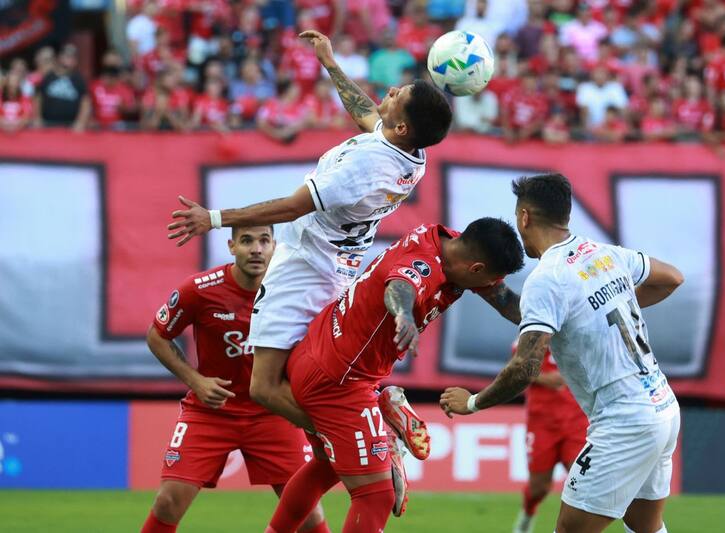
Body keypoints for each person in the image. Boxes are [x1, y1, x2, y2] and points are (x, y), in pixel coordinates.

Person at [166, 29, 452, 460]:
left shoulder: (365, 167)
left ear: (402, 125)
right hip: (339, 266)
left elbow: (290, 207)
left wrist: (214, 218)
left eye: (398, 94)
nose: (389, 91)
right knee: (310, 376)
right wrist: (331, 64)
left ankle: (369, 431)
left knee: (263, 386)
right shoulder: (410, 151)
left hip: (305, 266)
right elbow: (368, 115)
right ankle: (370, 419)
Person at [440, 173, 684, 533]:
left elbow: (524, 368)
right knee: (643, 526)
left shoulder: (547, 277)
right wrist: (603, 311)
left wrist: (472, 403)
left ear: (524, 217)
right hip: (663, 407)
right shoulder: (606, 254)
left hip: (625, 421)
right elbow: (672, 277)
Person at [266, 219, 526, 533]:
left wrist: (550, 322)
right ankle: (382, 422)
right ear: (476, 268)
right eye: (491, 277)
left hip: (317, 351)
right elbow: (399, 286)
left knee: (325, 466)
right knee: (376, 495)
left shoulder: (448, 242)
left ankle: (381, 415)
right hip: (339, 382)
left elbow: (506, 301)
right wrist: (403, 314)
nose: (493, 285)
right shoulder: (427, 265)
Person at [140, 225, 328, 533]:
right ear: (231, 246)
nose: (256, 249)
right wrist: (196, 381)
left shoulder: (293, 292)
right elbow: (157, 336)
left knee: (308, 514)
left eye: (264, 241)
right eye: (247, 241)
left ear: (274, 246)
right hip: (211, 413)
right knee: (167, 502)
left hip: (273, 413)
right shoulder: (199, 289)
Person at [513, 344, 589, 533]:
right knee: (539, 488)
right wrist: (544, 377)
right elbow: (516, 368)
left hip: (576, 420)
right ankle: (527, 514)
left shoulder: (581, 328)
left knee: (582, 480)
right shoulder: (535, 330)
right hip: (542, 422)